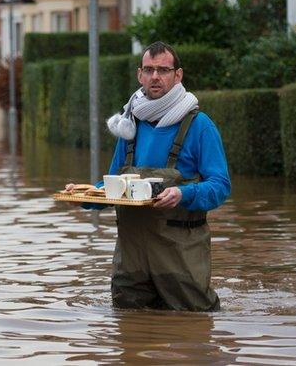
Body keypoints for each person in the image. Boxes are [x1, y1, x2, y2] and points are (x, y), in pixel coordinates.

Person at [68, 41, 230, 311]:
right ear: (139, 75)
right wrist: (87, 195)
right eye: (149, 70)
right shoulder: (129, 127)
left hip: (180, 263)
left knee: (193, 332)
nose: (155, 77)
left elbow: (221, 186)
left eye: (163, 70)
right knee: (130, 339)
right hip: (131, 264)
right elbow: (113, 187)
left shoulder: (200, 126)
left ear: (178, 75)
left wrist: (183, 194)